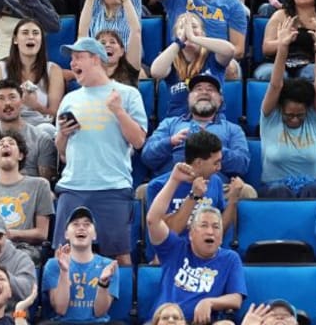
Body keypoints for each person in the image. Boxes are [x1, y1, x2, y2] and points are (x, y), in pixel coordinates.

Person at [53, 36, 147, 262]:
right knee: (63, 255)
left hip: (112, 186)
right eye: (72, 59)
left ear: (95, 60)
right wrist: (63, 135)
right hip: (73, 186)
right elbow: (62, 153)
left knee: (120, 256)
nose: (72, 64)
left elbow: (139, 141)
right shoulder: (69, 99)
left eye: (78, 58)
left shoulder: (127, 94)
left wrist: (119, 111)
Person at [146, 160, 246, 323]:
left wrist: (210, 302)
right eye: (204, 225)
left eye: (215, 227)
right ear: (191, 233)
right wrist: (174, 180)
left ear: (221, 237)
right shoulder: (175, 248)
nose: (210, 231)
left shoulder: (230, 258)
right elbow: (153, 220)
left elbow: (236, 298)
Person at [259, 19, 316, 198]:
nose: (295, 118)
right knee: (279, 191)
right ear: (280, 109)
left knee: (313, 190)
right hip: (275, 186)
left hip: (310, 185)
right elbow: (275, 85)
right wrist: (282, 47)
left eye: (300, 114)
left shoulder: (314, 119)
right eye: (289, 114)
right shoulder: (271, 116)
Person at [0, 132, 53, 261]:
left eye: (11, 143)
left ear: (21, 155)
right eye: (1, 144)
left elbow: (42, 233)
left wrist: (9, 234)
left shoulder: (40, 185)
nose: (6, 145)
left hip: (24, 249)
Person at [142, 75, 249, 178]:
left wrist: (212, 146)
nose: (204, 92)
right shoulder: (169, 123)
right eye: (198, 89)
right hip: (171, 186)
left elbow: (242, 165)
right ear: (188, 99)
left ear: (220, 100)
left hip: (217, 188)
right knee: (142, 191)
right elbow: (147, 157)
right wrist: (170, 142)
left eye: (210, 89)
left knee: (248, 192)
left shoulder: (233, 129)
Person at [0, 79, 58, 190]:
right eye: (1, 98)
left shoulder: (41, 138)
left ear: (22, 101)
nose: (7, 103)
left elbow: (46, 182)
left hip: (28, 193)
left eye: (12, 97)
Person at [42, 206, 122, 324]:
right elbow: (60, 309)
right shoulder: (53, 264)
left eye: (87, 224)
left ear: (94, 235)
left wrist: (103, 283)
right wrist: (64, 272)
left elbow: (99, 312)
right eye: (75, 224)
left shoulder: (108, 265)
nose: (81, 228)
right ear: (66, 234)